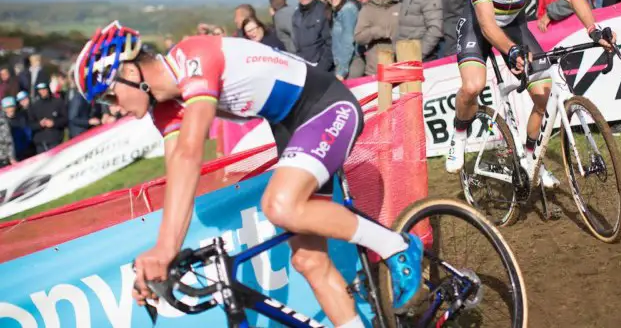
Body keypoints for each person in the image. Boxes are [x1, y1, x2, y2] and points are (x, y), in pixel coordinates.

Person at [72, 21, 424, 327]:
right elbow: (177, 170)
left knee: (280, 204)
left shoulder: (191, 57)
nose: (113, 108)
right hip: (291, 128)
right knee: (308, 259)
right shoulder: (164, 109)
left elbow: (191, 151)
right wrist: (165, 251)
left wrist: (165, 249)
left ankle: (396, 246)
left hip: (326, 106)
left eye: (108, 97)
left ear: (130, 73)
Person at [445, 0, 616, 189]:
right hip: (479, 23)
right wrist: (511, 50)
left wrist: (593, 28)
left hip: (514, 23)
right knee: (473, 87)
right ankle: (459, 132)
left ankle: (529, 160)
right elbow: (488, 26)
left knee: (543, 95)